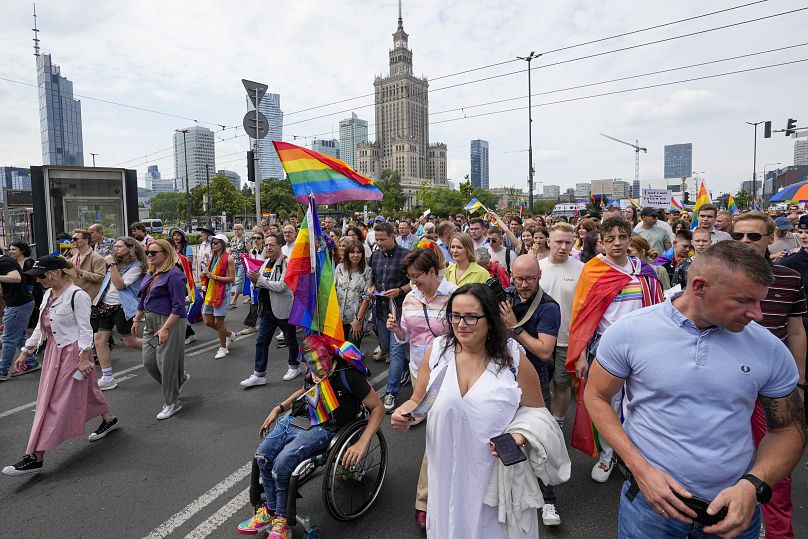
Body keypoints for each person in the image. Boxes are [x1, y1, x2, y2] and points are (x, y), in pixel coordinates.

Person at [585, 241, 806, 539]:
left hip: (734, 512)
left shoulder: (767, 347)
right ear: (699, 286)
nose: (758, 314)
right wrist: (641, 470)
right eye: (744, 301)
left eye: (760, 301)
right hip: (649, 510)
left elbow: (789, 429)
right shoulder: (630, 332)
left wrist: (753, 485)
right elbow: (597, 396)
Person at [391, 284, 545, 539]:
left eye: (471, 316)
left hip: (492, 473)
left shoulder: (513, 360)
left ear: (490, 319)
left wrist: (519, 436)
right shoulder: (438, 352)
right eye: (455, 315)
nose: (461, 324)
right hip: (444, 471)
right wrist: (406, 414)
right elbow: (422, 401)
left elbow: (538, 412)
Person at [236, 336, 385, 538]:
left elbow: (378, 408)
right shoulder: (313, 372)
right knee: (262, 455)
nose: (317, 366)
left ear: (330, 355)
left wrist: (362, 442)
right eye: (311, 362)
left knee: (281, 465)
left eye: (321, 359)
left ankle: (282, 520)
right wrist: (279, 408)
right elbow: (305, 390)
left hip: (325, 428)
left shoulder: (348, 376)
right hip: (299, 419)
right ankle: (270, 511)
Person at [567, 216, 664, 483]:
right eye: (610, 239)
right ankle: (608, 454)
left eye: (622, 237)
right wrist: (582, 355)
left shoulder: (644, 269)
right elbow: (583, 316)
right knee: (606, 402)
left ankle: (636, 452)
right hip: (606, 348)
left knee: (638, 401)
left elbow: (657, 308)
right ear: (602, 242)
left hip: (642, 348)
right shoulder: (593, 270)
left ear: (630, 239)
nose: (617, 243)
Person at [3, 256, 119, 476]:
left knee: (54, 403)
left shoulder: (77, 295)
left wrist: (84, 357)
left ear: (57, 272)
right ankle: (110, 419)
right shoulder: (48, 294)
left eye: (42, 275)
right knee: (87, 390)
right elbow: (40, 326)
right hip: (54, 353)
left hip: (74, 353)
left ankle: (36, 456)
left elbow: (86, 329)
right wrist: (26, 350)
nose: (38, 280)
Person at [731, 211, 807, 538]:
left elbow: (797, 332)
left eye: (754, 236)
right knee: (726, 457)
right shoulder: (719, 276)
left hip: (771, 386)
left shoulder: (790, 279)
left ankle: (778, 533)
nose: (746, 242)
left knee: (775, 464)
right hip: (726, 385)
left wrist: (800, 382)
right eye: (738, 237)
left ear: (771, 237)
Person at [386, 247, 456, 529]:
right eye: (410, 278)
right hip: (420, 373)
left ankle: (428, 499)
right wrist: (396, 329)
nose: (414, 283)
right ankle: (428, 499)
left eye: (417, 277)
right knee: (435, 431)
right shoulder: (409, 299)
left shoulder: (455, 295)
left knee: (442, 432)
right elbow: (406, 336)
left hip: (450, 373)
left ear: (432, 272)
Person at [500, 255, 564, 527]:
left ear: (539, 275)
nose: (524, 285)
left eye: (530, 278)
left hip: (535, 381)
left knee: (539, 441)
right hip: (503, 378)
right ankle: (507, 492)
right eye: (519, 279)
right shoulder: (507, 298)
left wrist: (514, 326)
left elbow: (545, 351)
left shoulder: (549, 307)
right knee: (504, 437)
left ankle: (548, 500)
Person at [131, 240, 189, 420]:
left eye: (154, 252)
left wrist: (165, 328)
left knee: (166, 363)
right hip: (151, 323)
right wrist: (136, 319)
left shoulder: (175, 275)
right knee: (149, 360)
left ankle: (172, 402)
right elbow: (143, 299)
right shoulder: (150, 273)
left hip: (169, 322)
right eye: (148, 252)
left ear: (166, 253)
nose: (149, 255)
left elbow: (179, 307)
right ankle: (177, 379)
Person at [539, 222, 584, 429]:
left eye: (568, 242)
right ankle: (539, 422)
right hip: (538, 338)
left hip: (567, 339)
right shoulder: (537, 268)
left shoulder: (582, 269)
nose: (563, 247)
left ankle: (557, 422)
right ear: (549, 241)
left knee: (562, 383)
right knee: (539, 383)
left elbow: (584, 310)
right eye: (558, 242)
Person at [241, 233, 300, 387]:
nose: (268, 247)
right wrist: (254, 280)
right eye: (266, 245)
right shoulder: (266, 262)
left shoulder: (287, 262)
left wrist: (259, 280)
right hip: (267, 309)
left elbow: (282, 286)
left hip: (283, 307)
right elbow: (262, 282)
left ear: (280, 246)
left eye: (271, 245)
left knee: (290, 339)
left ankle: (294, 366)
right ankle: (259, 374)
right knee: (261, 341)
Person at [368, 222, 411, 412]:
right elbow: (374, 279)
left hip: (399, 310)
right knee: (386, 347)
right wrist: (371, 289)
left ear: (393, 236)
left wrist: (400, 290)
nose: (379, 243)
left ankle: (391, 392)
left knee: (395, 352)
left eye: (382, 239)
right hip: (380, 310)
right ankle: (406, 366)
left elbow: (415, 281)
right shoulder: (375, 255)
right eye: (376, 239)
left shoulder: (406, 255)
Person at [92, 237, 146, 391]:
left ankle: (159, 349)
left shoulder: (137, 266)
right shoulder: (114, 263)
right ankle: (107, 377)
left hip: (122, 306)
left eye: (119, 247)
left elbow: (120, 284)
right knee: (99, 340)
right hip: (105, 305)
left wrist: (112, 265)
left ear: (130, 248)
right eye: (115, 247)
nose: (115, 249)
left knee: (129, 341)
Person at [0, 245, 38, 380]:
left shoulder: (3, 262)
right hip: (19, 303)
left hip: (18, 305)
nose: (10, 251)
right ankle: (31, 362)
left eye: (13, 249)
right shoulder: (7, 260)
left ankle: (2, 371)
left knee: (8, 339)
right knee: (19, 336)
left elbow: (16, 278)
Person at [201, 233, 238, 360]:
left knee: (219, 322)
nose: (213, 244)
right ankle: (229, 334)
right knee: (208, 321)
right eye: (212, 242)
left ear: (222, 244)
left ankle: (223, 348)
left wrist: (214, 277)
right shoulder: (212, 257)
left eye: (216, 242)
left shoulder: (229, 258)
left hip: (222, 292)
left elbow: (232, 279)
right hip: (210, 292)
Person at [335, 239, 372, 349]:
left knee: (351, 353)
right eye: (352, 252)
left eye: (358, 252)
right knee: (339, 352)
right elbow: (334, 289)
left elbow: (366, 298)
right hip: (339, 318)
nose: (355, 255)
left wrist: (358, 320)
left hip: (355, 319)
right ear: (347, 254)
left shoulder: (367, 271)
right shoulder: (339, 268)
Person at [240, 231, 266, 336]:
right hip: (253, 282)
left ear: (262, 239)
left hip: (264, 281)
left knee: (265, 304)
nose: (256, 240)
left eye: (258, 238)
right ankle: (251, 326)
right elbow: (250, 265)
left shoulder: (265, 251)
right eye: (254, 238)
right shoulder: (251, 251)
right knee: (254, 303)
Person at [68, 229, 107, 300]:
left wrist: (81, 272)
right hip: (75, 297)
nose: (72, 241)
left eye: (75, 239)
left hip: (90, 298)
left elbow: (101, 277)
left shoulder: (97, 258)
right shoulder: (74, 257)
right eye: (72, 239)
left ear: (86, 241)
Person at [230, 223, 250, 307]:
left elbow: (250, 251)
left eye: (238, 229)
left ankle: (234, 300)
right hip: (233, 263)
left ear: (242, 230)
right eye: (235, 229)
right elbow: (230, 251)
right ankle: (250, 296)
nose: (236, 231)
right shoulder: (233, 239)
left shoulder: (245, 239)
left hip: (242, 263)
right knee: (243, 281)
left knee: (239, 281)